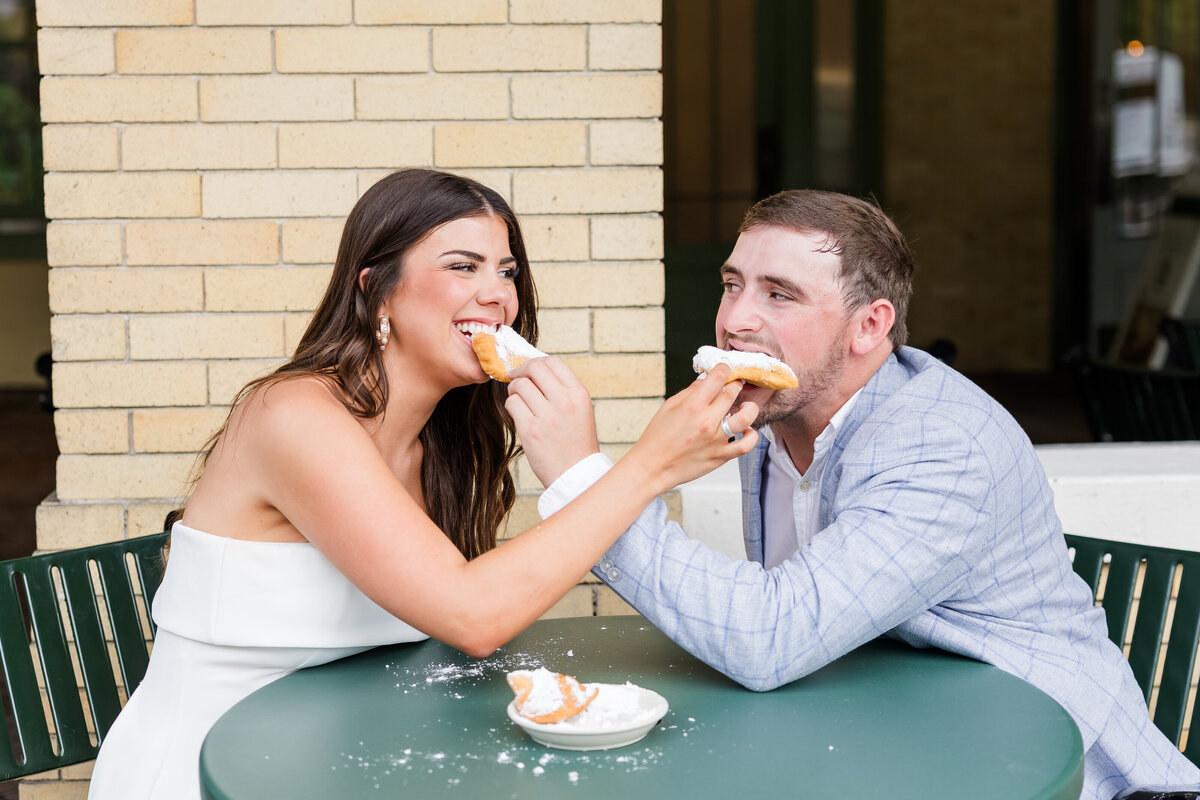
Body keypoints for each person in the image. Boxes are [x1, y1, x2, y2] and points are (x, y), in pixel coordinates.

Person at [87, 169, 758, 800]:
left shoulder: (443, 443)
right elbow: (473, 616)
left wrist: (580, 465)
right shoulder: (291, 415)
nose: (498, 294)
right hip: (210, 771)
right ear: (375, 288)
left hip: (347, 760)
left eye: (507, 270)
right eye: (462, 267)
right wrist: (648, 468)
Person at [519, 189, 1200, 800]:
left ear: (870, 325)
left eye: (779, 294)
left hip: (1059, 772)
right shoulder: (774, 413)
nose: (735, 320)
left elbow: (770, 639)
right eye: (733, 285)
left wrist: (587, 482)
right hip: (906, 742)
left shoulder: (940, 444)